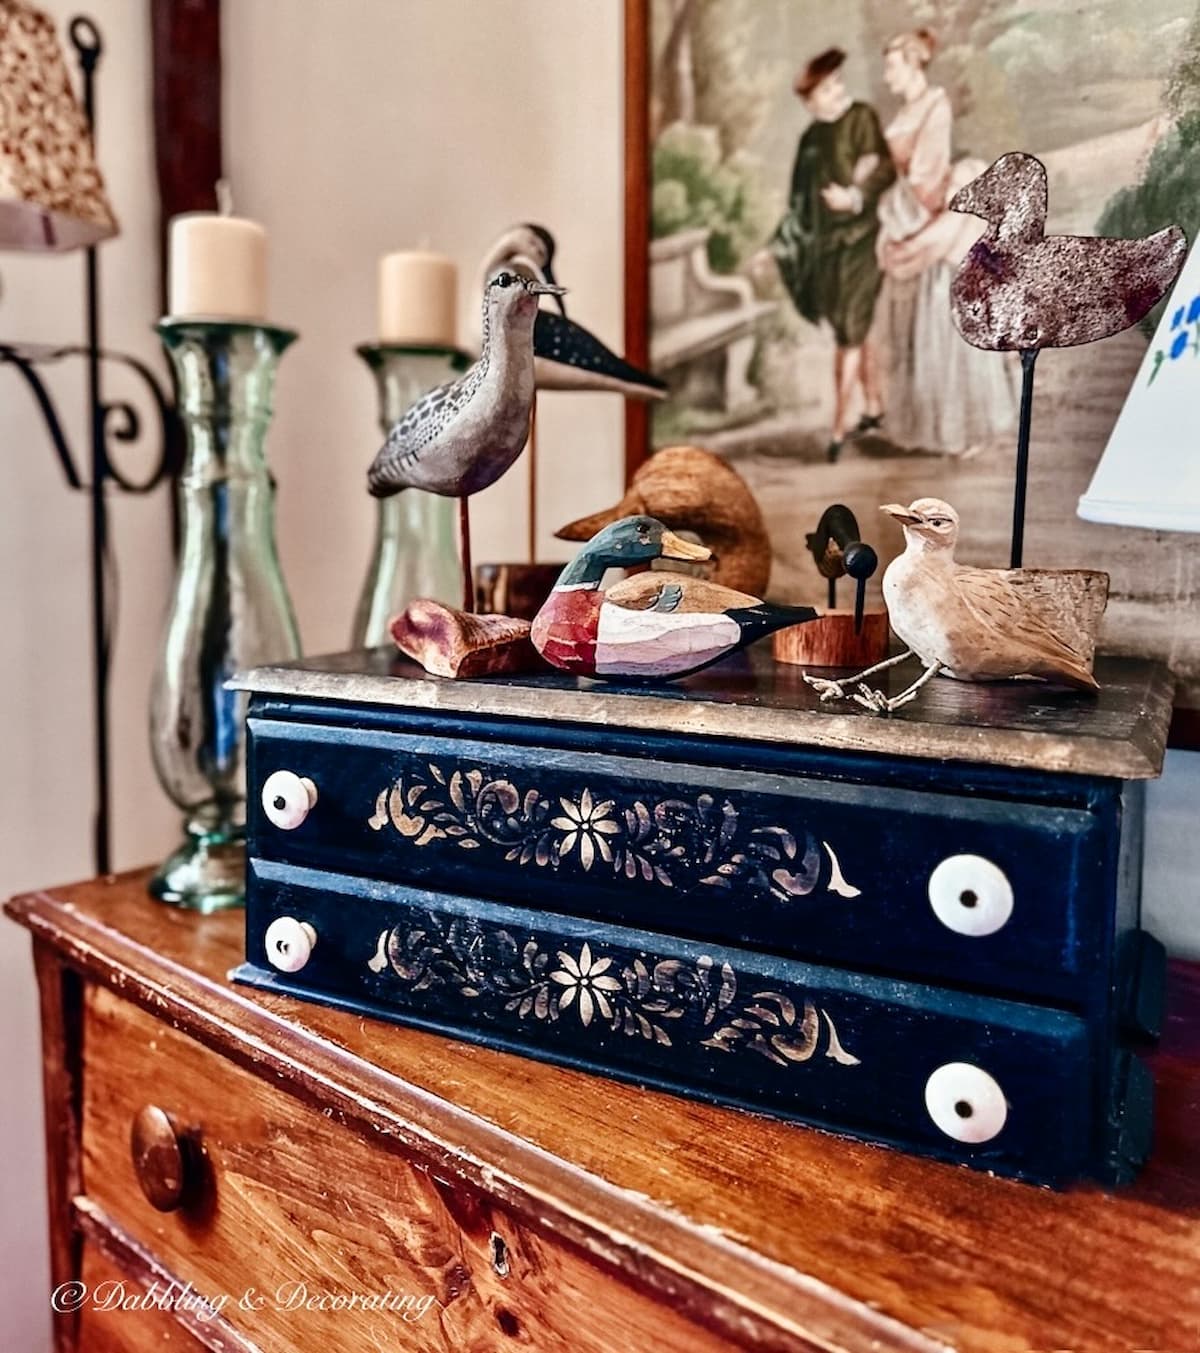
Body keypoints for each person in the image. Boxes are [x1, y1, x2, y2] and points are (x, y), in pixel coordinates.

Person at [874, 29, 1018, 453]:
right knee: (917, 328)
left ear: (913, 63)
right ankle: (925, 427)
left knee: (942, 321)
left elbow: (926, 175)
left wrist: (916, 223)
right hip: (908, 208)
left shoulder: (935, 103)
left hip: (927, 211)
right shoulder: (902, 113)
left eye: (893, 67)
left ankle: (962, 430)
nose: (887, 77)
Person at [770, 48, 895, 461]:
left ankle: (839, 427)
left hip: (861, 241)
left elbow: (885, 169)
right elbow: (799, 204)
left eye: (838, 82)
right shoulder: (810, 140)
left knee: (849, 334)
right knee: (852, 328)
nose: (838, 90)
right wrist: (777, 244)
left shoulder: (860, 117)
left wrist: (856, 195)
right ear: (810, 99)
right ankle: (873, 408)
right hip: (827, 251)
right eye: (828, 87)